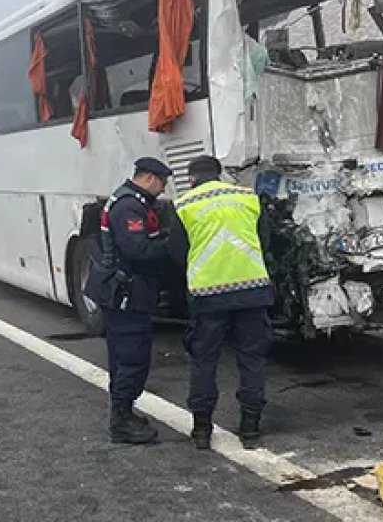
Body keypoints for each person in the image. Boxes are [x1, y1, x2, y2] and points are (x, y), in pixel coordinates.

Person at [171, 155, 275, 450]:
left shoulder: (184, 205)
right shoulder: (248, 198)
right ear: (219, 175)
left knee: (204, 361)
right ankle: (251, 428)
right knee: (252, 359)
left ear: (191, 178)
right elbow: (264, 241)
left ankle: (202, 429)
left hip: (207, 295)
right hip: (253, 290)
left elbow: (177, 252)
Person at [85, 157, 174, 444]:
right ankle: (121, 420)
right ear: (149, 178)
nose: (163, 189)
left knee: (124, 356)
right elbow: (137, 249)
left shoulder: (130, 201)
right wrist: (170, 245)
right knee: (132, 358)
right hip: (126, 293)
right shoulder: (128, 207)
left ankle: (124, 412)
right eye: (162, 182)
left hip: (125, 291)